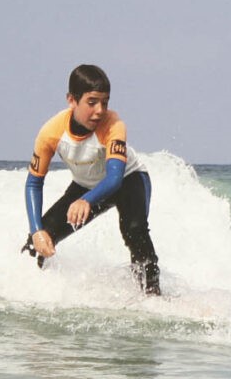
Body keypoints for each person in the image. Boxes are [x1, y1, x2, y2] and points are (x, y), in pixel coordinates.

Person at [21, 64, 161, 295]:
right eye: (92, 102)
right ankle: (27, 292)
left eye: (104, 102)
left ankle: (152, 295)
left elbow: (115, 178)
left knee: (134, 230)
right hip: (85, 186)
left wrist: (87, 200)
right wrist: (36, 229)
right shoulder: (51, 132)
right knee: (37, 241)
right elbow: (34, 183)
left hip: (129, 180)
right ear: (72, 100)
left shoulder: (113, 124)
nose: (99, 110)